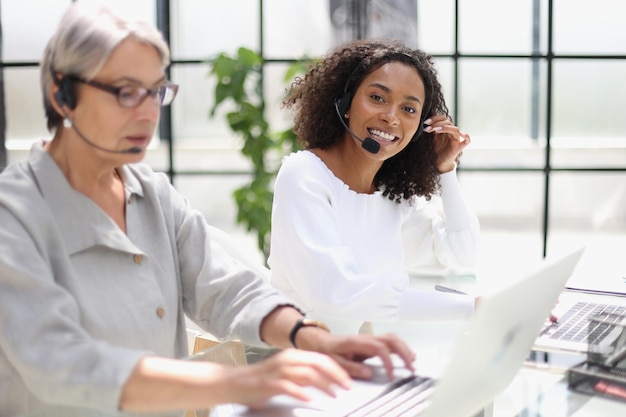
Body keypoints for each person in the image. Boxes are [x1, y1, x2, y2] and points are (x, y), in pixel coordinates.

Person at [0, 6, 416, 417]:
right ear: (62, 93)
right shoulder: (14, 214)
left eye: (155, 92)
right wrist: (239, 383)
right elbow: (58, 362)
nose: (147, 113)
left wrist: (311, 337)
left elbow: (226, 287)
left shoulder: (153, 196)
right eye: (126, 92)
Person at [268, 39, 481, 335]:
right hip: (296, 363)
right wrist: (473, 308)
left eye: (408, 108)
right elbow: (336, 294)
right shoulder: (304, 175)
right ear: (345, 103)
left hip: (352, 360)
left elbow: (461, 254)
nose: (391, 117)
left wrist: (446, 169)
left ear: (420, 126)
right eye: (378, 98)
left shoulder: (389, 196)